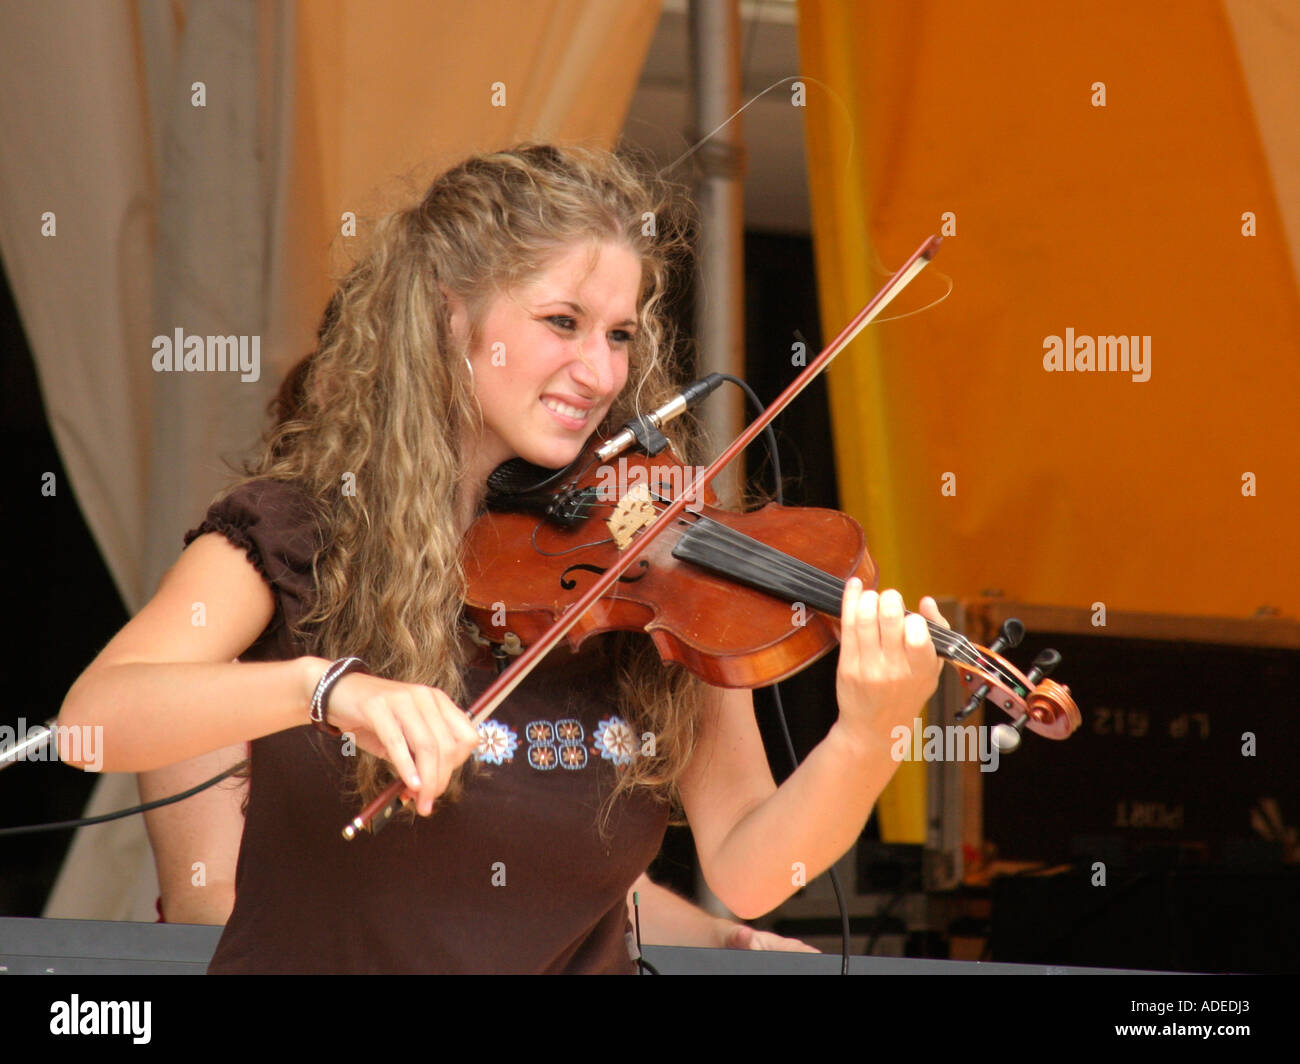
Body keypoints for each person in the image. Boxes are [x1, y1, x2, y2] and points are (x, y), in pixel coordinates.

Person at [60, 143, 947, 973]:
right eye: (562, 322)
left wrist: (868, 737)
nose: (598, 373)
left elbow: (754, 866)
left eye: (619, 335)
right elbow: (91, 721)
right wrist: (325, 689)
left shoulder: (655, 565)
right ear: (451, 314)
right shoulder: (298, 534)